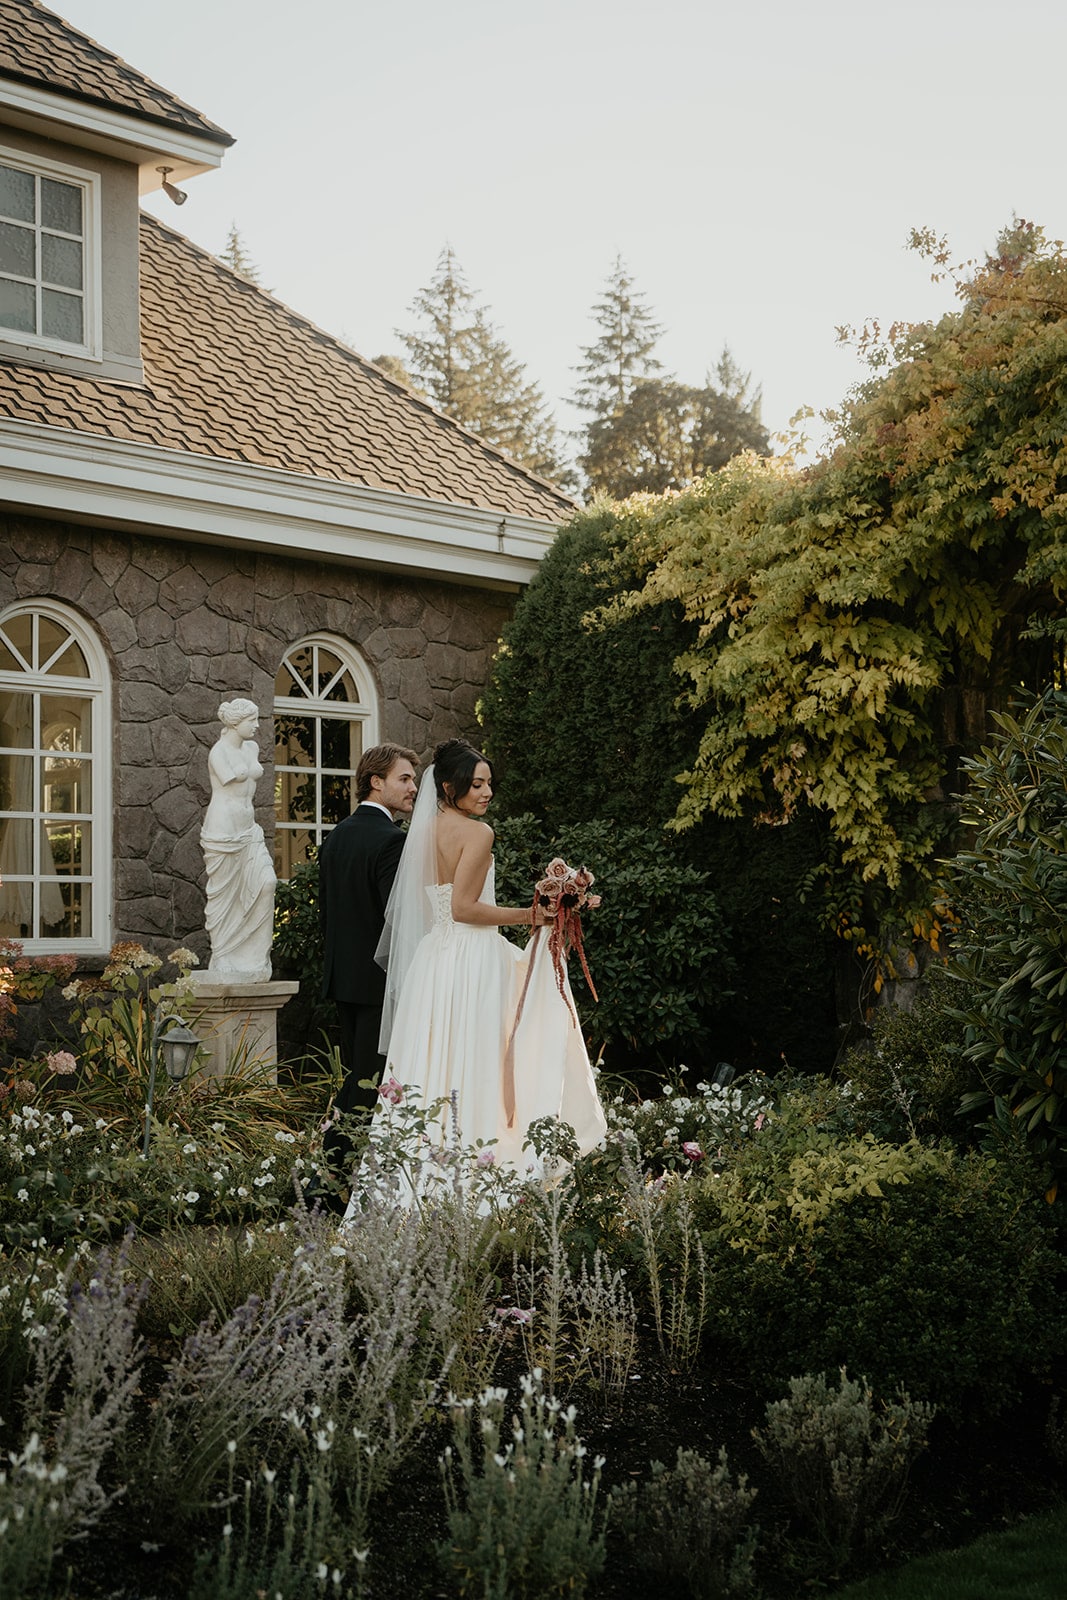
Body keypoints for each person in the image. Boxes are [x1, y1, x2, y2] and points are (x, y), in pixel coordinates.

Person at [349, 737, 605, 1209]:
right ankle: (474, 1189)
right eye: (477, 784)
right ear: (450, 786)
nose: (487, 792)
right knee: (476, 1064)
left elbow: (441, 905)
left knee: (431, 1066)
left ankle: (412, 1191)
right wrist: (536, 916)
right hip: (468, 958)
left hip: (434, 959)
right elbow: (466, 908)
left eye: (490, 783)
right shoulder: (478, 834)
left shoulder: (423, 831)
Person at [315, 742, 418, 1209]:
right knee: (368, 1081)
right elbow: (396, 921)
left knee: (364, 1076)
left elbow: (331, 915)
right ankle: (328, 1187)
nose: (413, 787)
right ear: (376, 781)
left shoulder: (337, 835)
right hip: (380, 982)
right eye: (404, 778)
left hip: (344, 979)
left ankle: (345, 1180)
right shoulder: (391, 840)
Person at [200, 699, 276, 983]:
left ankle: (256, 958)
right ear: (235, 722)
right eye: (251, 721)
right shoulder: (218, 753)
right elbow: (233, 780)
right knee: (224, 898)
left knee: (267, 884)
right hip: (223, 831)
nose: (257, 726)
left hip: (249, 830)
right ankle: (222, 955)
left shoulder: (252, 748)